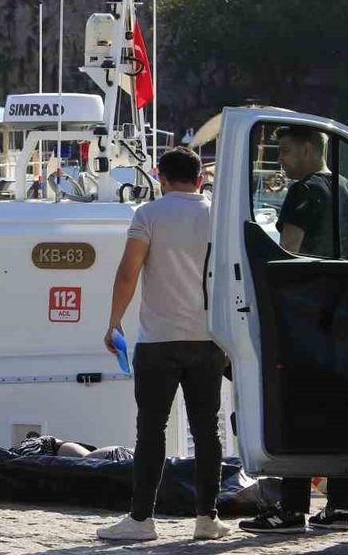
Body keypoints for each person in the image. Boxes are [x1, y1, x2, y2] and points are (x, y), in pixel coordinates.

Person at [239, 125, 348, 534]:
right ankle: (339, 508)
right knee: (340, 410)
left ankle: (291, 508)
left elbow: (287, 254)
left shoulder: (305, 191)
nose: (281, 161)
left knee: (295, 410)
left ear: (311, 149)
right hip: (344, 315)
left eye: (286, 151)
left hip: (304, 314)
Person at [95, 147, 230, 543]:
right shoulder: (218, 216)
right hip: (208, 338)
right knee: (207, 432)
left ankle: (141, 520)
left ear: (160, 177)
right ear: (199, 179)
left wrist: (113, 322)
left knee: (151, 430)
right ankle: (207, 518)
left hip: (158, 340)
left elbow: (128, 272)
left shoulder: (148, 214)